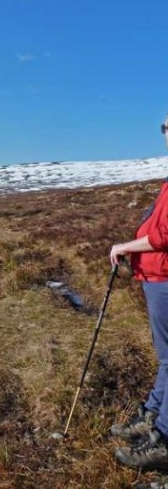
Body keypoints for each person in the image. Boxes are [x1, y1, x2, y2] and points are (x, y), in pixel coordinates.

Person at [110, 117, 168, 470]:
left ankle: (162, 439)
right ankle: (152, 417)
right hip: (157, 277)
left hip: (165, 279)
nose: (165, 132)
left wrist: (124, 245)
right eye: (165, 126)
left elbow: (164, 235)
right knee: (167, 358)